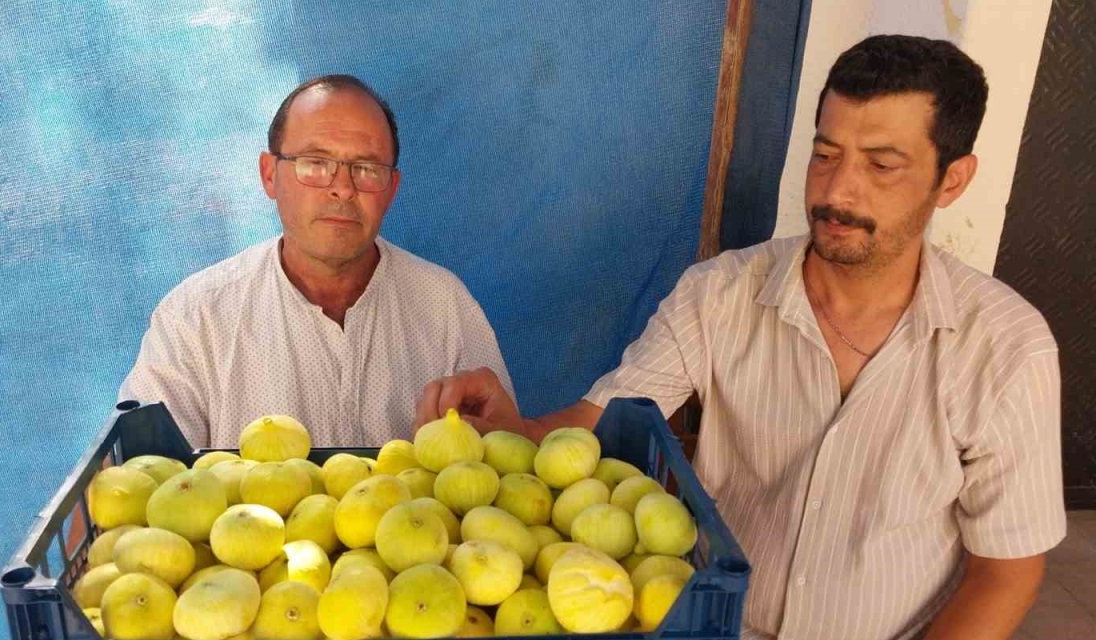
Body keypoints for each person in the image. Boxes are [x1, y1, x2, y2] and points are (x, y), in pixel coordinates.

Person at [415, 35, 1063, 640]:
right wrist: (513, 429)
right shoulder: (719, 295)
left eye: (882, 165)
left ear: (952, 179)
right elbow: (597, 421)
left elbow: (1006, 571)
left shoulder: (1006, 348)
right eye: (826, 154)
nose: (838, 190)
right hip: (716, 623)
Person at [120, 74, 512, 448]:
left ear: (391, 189)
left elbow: (500, 462)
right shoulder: (195, 317)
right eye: (315, 163)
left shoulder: (444, 305)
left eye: (366, 168)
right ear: (269, 175)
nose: (342, 188)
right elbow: (137, 481)